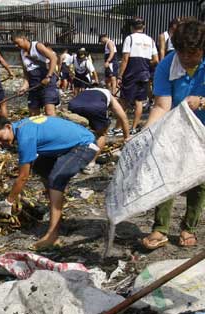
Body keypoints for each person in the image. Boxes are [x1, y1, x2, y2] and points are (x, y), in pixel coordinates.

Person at [0, 115, 99, 249]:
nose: (0, 143)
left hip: (84, 145)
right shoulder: (21, 128)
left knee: (56, 178)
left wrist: (8, 202)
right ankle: (56, 206)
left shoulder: (25, 138)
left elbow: (23, 177)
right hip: (74, 142)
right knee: (40, 167)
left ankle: (52, 235)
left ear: (8, 127)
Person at [140, 19, 205, 250]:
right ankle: (160, 229)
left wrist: (202, 101)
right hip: (175, 127)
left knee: (199, 180)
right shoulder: (167, 65)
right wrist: (146, 132)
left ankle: (189, 227)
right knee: (166, 174)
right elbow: (161, 106)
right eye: (182, 53)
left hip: (203, 131)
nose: (186, 59)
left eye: (193, 54)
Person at [68, 85, 130, 174]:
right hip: (96, 107)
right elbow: (123, 117)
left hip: (74, 105)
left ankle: (70, 161)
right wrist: (127, 137)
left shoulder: (86, 91)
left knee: (77, 132)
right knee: (102, 134)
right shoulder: (108, 94)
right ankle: (90, 164)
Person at [118, 18, 159, 134]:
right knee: (139, 101)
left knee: (124, 101)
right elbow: (156, 60)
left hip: (131, 73)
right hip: (144, 74)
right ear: (143, 27)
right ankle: (133, 128)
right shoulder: (150, 40)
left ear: (132, 27)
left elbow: (125, 59)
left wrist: (120, 76)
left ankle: (118, 128)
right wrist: (145, 65)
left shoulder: (129, 38)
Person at [12, 32, 59, 116]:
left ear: (24, 39)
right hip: (34, 85)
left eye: (17, 42)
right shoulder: (21, 54)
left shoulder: (37, 46)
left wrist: (48, 77)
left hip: (47, 83)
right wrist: (24, 87)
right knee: (33, 115)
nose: (16, 46)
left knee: (49, 112)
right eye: (14, 44)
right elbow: (26, 73)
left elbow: (53, 58)